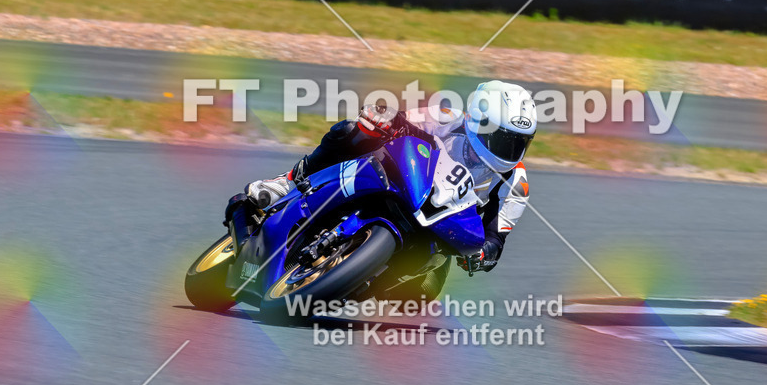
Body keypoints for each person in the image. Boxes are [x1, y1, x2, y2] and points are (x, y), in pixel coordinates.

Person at [227, 80, 536, 273]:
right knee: (353, 130)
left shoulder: (515, 185)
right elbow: (400, 122)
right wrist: (382, 117)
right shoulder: (447, 117)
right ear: (476, 120)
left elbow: (497, 237)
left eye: (519, 143)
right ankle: (289, 181)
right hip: (405, 184)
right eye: (503, 138)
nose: (510, 150)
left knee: (418, 296)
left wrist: (484, 253)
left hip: (437, 233)